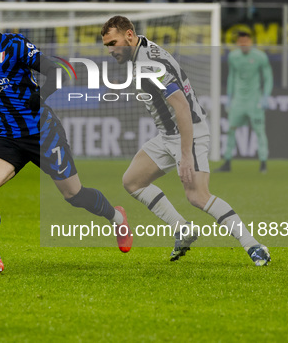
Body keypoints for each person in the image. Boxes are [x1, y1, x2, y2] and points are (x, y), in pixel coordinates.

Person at [0, 2, 132, 273]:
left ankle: (117, 218)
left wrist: (40, 95)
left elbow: (58, 71)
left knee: (74, 195)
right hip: (9, 137)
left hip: (44, 134)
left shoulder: (16, 45)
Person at [100, 16, 271, 266]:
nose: (111, 50)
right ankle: (182, 228)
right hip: (167, 135)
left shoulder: (149, 62)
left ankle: (254, 246)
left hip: (188, 131)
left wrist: (186, 154)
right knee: (132, 181)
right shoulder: (142, 50)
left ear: (129, 34)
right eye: (107, 46)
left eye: (113, 42)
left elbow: (181, 107)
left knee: (198, 196)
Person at [216, 31, 273, 173]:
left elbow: (268, 77)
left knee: (259, 131)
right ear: (238, 43)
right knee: (231, 130)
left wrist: (265, 96)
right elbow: (232, 77)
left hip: (254, 100)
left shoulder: (260, 57)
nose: (244, 45)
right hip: (239, 100)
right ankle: (227, 162)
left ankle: (263, 163)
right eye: (241, 42)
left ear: (251, 42)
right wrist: (229, 97)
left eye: (246, 42)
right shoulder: (233, 57)